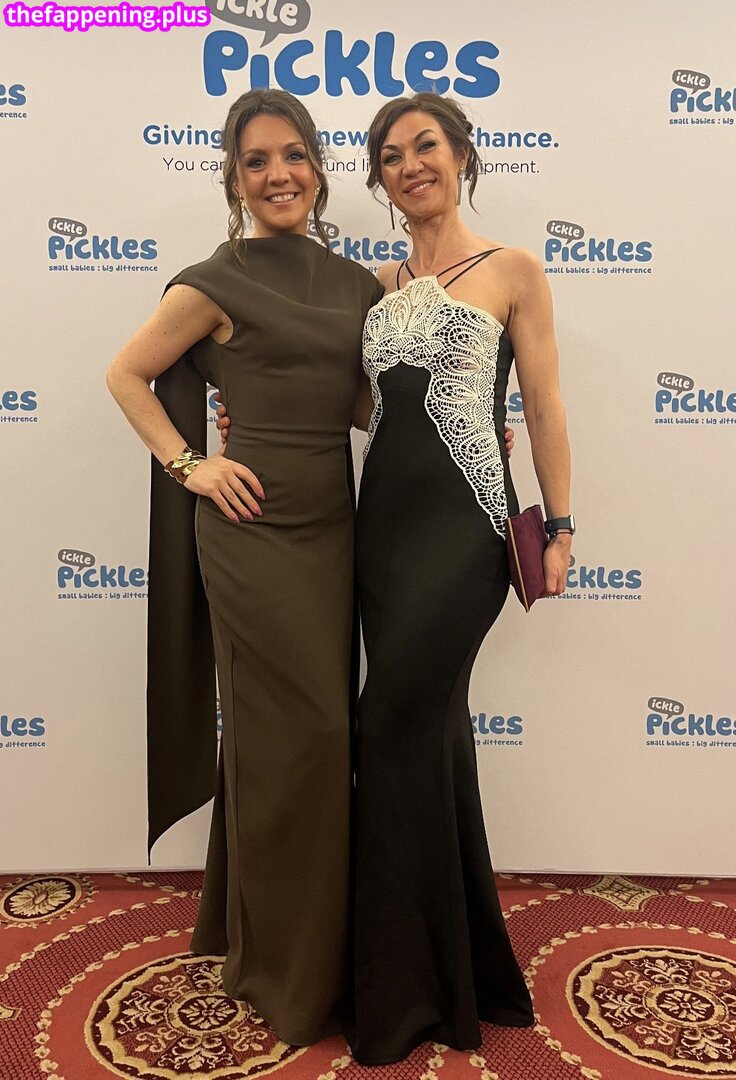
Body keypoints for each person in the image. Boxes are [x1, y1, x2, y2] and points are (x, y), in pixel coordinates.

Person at [106, 89, 384, 1046]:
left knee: (304, 743)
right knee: (300, 737)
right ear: (232, 178)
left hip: (333, 531)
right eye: (257, 160)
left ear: (318, 166)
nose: (279, 175)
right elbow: (126, 374)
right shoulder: (211, 281)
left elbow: (360, 405)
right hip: (251, 532)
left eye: (293, 155)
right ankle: (283, 971)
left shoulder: (355, 285)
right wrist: (190, 463)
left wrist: (462, 421)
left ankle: (267, 932)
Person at [345, 92, 573, 1064]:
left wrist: (559, 524)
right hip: (382, 534)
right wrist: (252, 417)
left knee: (388, 725)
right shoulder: (375, 284)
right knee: (431, 736)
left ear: (463, 154)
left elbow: (545, 402)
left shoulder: (514, 269)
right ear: (379, 180)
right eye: (391, 156)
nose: (410, 165)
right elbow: (370, 409)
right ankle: (463, 970)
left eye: (425, 145)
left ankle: (398, 989)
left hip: (467, 531)